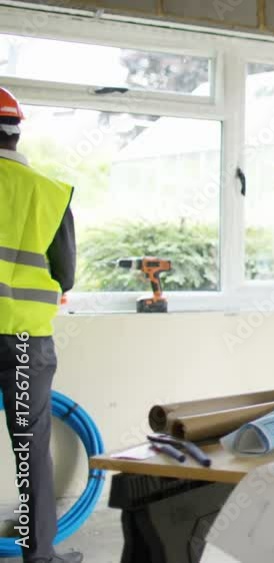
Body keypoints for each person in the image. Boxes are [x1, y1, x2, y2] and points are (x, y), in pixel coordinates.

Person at [0, 86, 83, 563]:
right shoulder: (49, 194)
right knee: (31, 450)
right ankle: (39, 556)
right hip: (24, 342)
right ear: (16, 132)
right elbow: (65, 275)